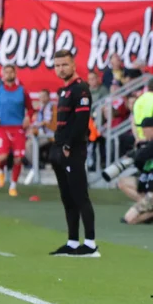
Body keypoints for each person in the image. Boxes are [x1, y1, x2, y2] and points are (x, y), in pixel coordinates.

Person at [49, 50, 99, 257]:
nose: (61, 68)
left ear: (73, 65)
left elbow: (81, 122)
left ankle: (90, 243)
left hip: (73, 150)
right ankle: (72, 242)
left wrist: (68, 146)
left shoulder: (80, 89)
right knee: (67, 198)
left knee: (80, 196)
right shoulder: (64, 90)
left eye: (64, 65)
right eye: (57, 65)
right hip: (60, 149)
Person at [0, 64, 33, 197]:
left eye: (11, 72)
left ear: (15, 74)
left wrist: (28, 117)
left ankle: (13, 186)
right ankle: (0, 170)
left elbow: (31, 108)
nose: (9, 74)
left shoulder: (22, 91)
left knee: (18, 159)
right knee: (2, 157)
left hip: (18, 128)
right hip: (2, 128)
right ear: (2, 75)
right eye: (6, 72)